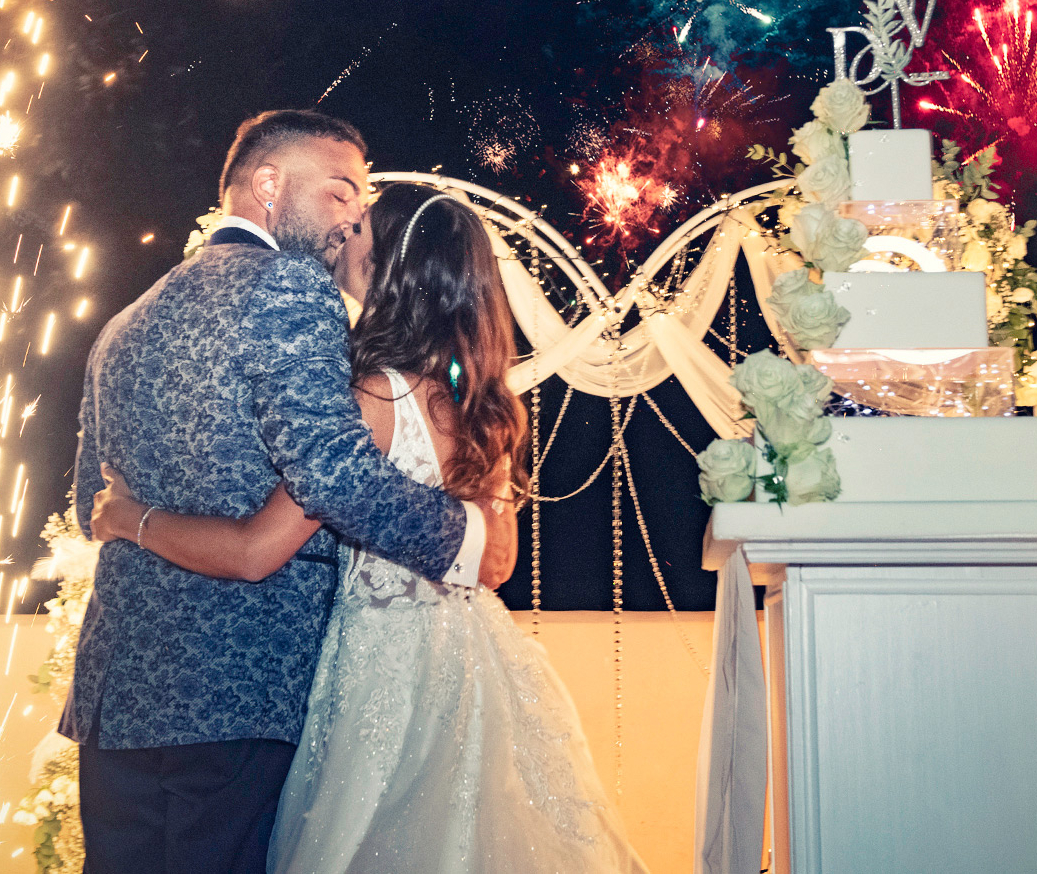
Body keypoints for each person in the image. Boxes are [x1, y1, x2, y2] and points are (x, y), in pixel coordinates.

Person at [92, 181, 646, 874]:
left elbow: (255, 548)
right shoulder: (488, 403)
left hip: (385, 679)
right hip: (473, 665)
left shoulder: (374, 398)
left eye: (359, 226)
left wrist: (129, 517)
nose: (344, 230)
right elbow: (495, 561)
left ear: (389, 267)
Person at [60, 111, 514, 874]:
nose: (351, 221)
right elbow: (332, 471)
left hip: (117, 698)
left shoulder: (123, 320)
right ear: (267, 184)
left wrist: (136, 520)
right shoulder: (292, 289)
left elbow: (87, 507)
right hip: (238, 695)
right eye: (340, 194)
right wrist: (475, 539)